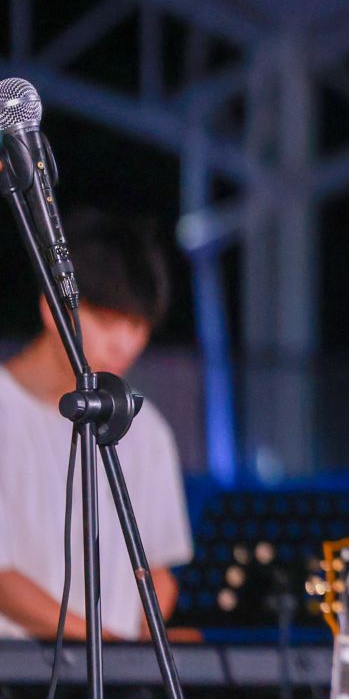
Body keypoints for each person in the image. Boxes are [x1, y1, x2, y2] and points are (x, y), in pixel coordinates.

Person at [0, 210, 192, 641]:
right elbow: (2, 581)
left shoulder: (146, 427)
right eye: (107, 321)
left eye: (138, 325)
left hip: (114, 664)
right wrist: (103, 644)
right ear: (51, 307)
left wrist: (145, 640)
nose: (125, 343)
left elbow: (157, 570)